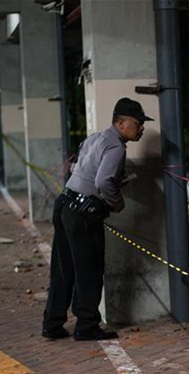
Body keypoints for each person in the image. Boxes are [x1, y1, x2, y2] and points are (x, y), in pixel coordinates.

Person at [42, 97, 153, 341]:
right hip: (83, 213)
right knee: (89, 270)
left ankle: (52, 323)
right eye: (137, 123)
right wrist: (116, 202)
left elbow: (75, 167)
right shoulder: (116, 147)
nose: (142, 127)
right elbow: (103, 181)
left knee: (63, 268)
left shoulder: (94, 138)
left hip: (65, 203)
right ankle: (87, 325)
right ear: (120, 123)